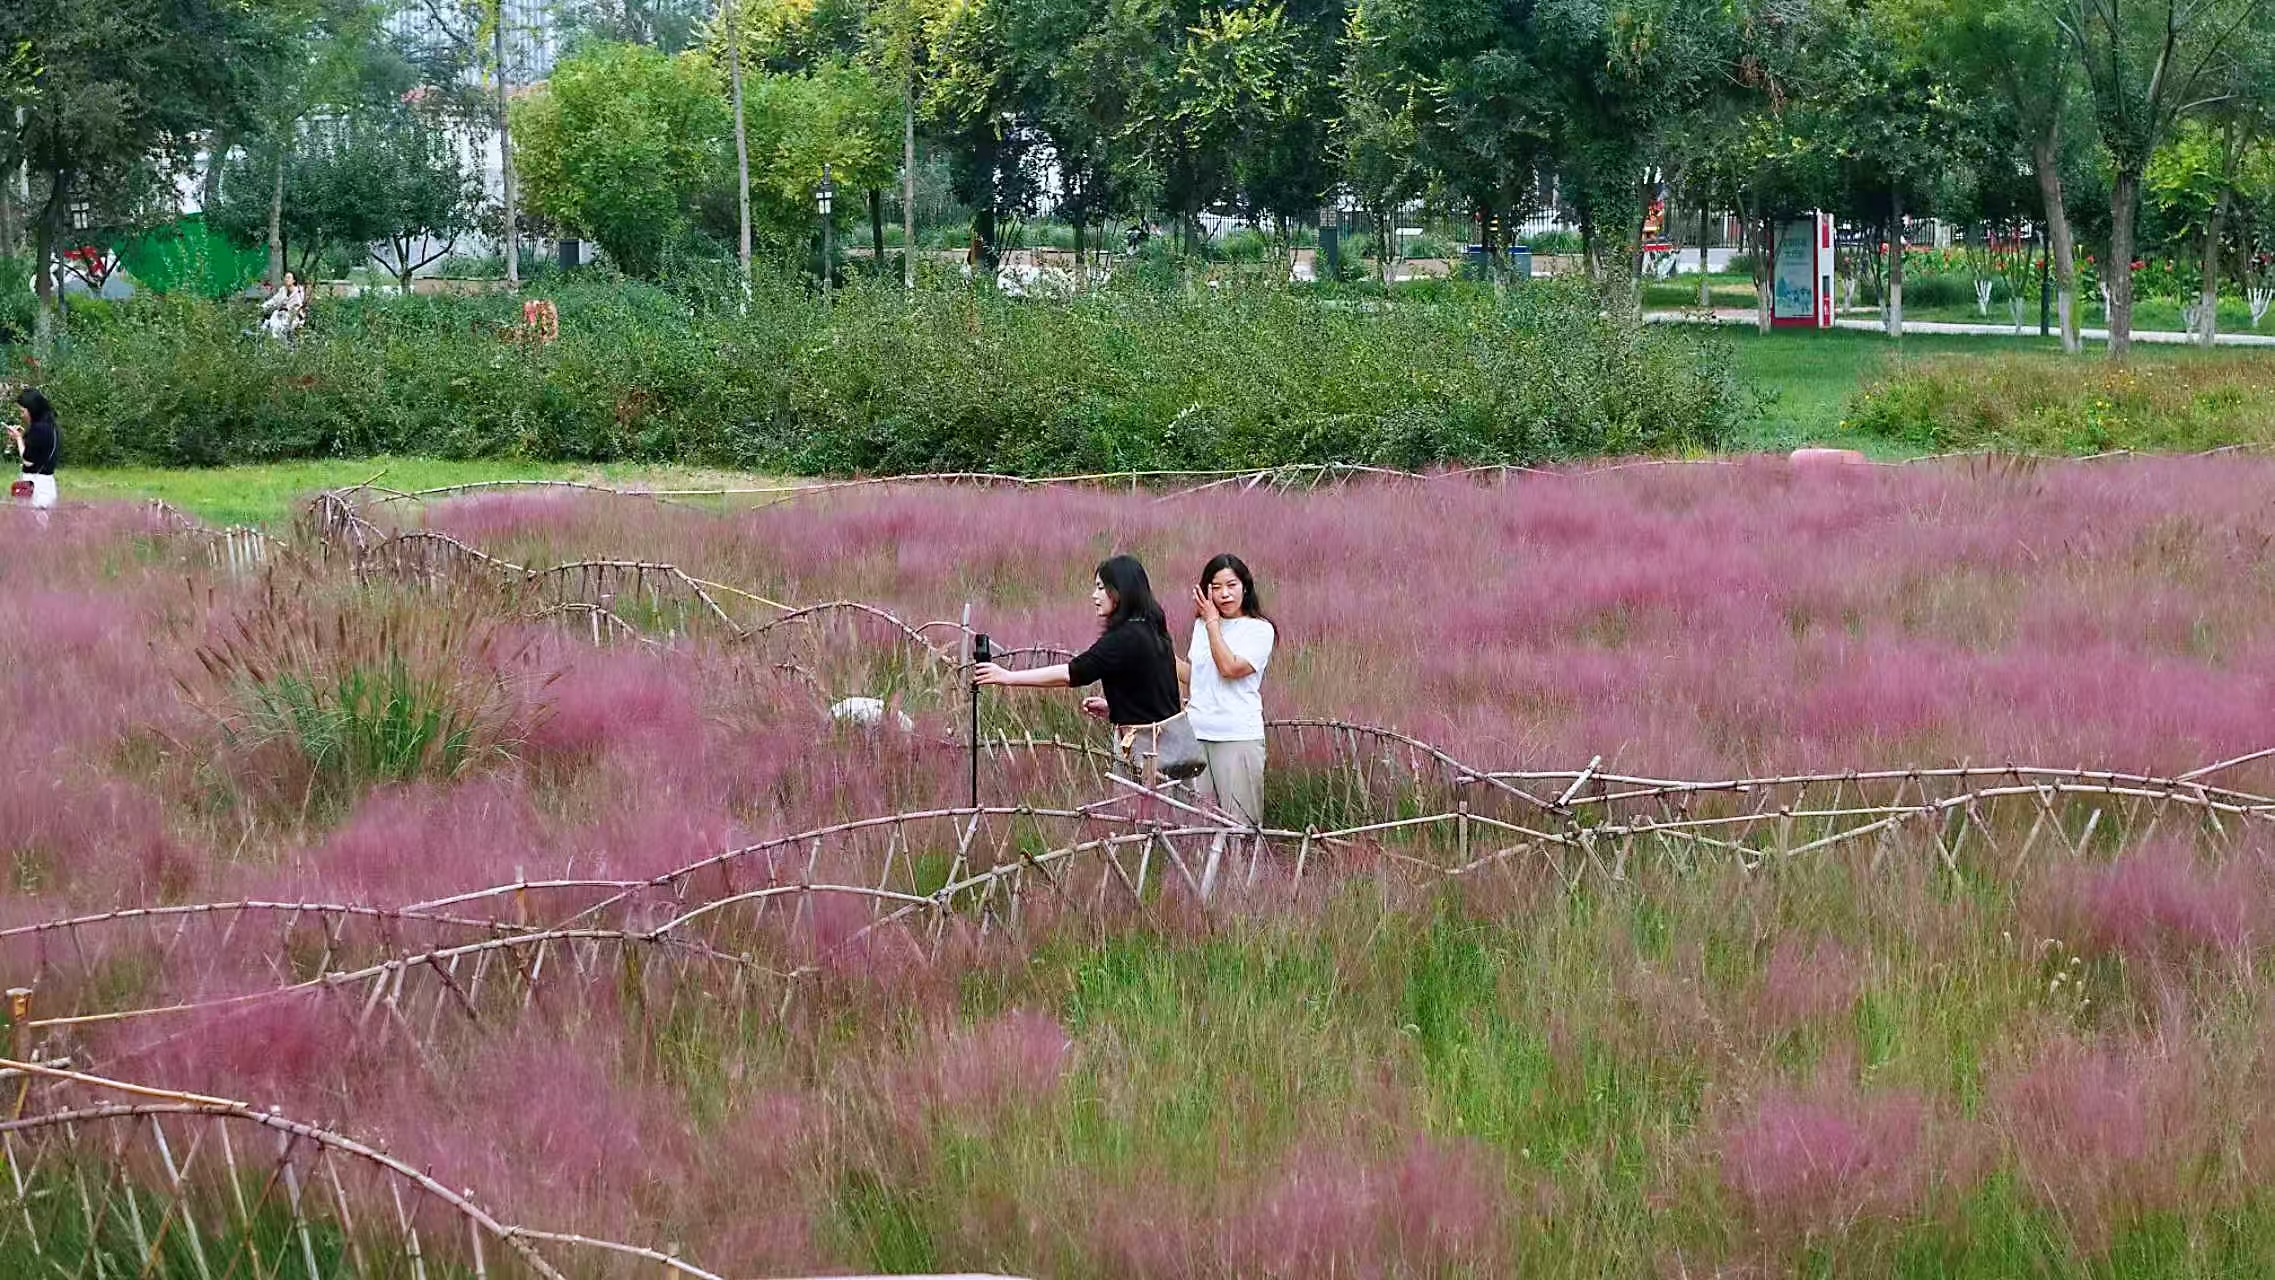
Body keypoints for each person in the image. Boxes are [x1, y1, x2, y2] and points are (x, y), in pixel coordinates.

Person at [972, 555, 1181, 773]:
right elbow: (1156, 696)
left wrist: (1007, 677)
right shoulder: (1154, 630)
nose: (1094, 595)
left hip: (1146, 756)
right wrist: (1116, 709)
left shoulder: (1123, 639)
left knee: (1138, 797)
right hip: (1172, 751)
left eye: (1101, 588)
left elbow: (1073, 673)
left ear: (1120, 591)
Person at [1178, 554, 1275, 826]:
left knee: (1240, 824)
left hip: (1236, 736)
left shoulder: (1259, 630)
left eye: (1231, 585)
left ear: (1245, 587)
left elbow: (1229, 668)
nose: (1224, 594)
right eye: (1216, 587)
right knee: (1197, 823)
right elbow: (1197, 677)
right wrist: (1158, 650)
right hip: (1197, 733)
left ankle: (1243, 858)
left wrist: (1212, 623)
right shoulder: (1201, 626)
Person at [8, 386, 59, 511]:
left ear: (32, 410)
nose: (21, 415)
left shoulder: (37, 429)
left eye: (22, 411)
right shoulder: (51, 426)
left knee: (27, 519)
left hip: (36, 487)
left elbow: (27, 461)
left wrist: (18, 438)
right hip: (46, 484)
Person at [260, 271, 307, 342]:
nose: (286, 279)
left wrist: (290, 309)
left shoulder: (299, 292)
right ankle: (266, 332)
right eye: (285, 277)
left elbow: (301, 306)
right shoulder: (282, 290)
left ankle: (278, 338)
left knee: (283, 323)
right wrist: (263, 306)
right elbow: (274, 300)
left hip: (293, 316)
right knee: (275, 314)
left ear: (294, 280)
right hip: (281, 314)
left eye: (289, 277)